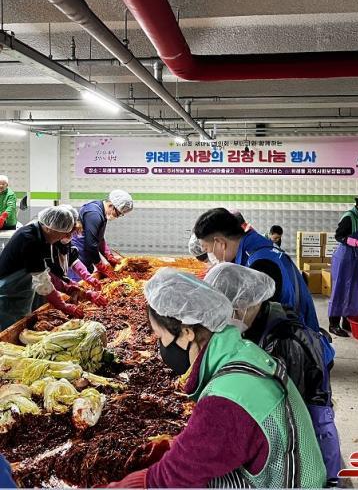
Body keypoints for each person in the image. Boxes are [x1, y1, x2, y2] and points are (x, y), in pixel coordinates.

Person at [106, 267, 327, 488]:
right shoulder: (241, 351)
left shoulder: (227, 398)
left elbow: (169, 478)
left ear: (187, 332)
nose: (160, 347)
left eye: (160, 337)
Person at [205, 263, 341, 486]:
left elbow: (285, 415)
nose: (227, 319)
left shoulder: (285, 342)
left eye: (230, 311)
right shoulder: (260, 322)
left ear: (247, 303)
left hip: (309, 442)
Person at [194, 208, 320, 332]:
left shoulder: (260, 263)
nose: (210, 256)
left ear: (220, 242)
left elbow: (256, 321)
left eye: (207, 249)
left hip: (294, 336)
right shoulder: (253, 246)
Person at [0, 206, 83, 329]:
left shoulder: (40, 234)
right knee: (10, 328)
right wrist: (62, 305)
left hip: (20, 289)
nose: (63, 237)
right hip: (9, 291)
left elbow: (44, 271)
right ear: (51, 228)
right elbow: (42, 281)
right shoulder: (29, 239)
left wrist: (65, 286)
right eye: (62, 233)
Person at [328, 191, 358, 337]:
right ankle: (333, 324)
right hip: (344, 258)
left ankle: (347, 320)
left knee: (353, 289)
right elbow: (339, 236)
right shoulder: (349, 217)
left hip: (355, 257)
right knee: (340, 289)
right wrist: (356, 242)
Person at [46, 206, 108, 308]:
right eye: (68, 233)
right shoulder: (44, 243)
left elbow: (72, 259)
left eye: (72, 232)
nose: (70, 236)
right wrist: (66, 303)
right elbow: (48, 278)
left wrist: (88, 277)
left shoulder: (62, 240)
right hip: (35, 285)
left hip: (49, 284)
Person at [71, 190, 133, 279]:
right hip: (78, 256)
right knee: (77, 284)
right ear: (111, 205)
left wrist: (108, 255)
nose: (117, 216)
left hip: (87, 257)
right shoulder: (94, 214)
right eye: (118, 213)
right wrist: (101, 266)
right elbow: (91, 245)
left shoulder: (102, 212)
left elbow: (99, 237)